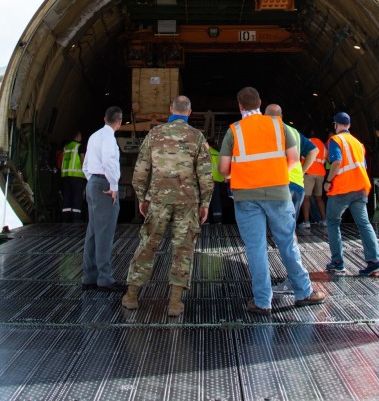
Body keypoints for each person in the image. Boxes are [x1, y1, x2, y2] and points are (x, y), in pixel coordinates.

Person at [218, 86, 325, 313]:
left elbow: (223, 169)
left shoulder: (234, 131)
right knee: (287, 242)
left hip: (246, 196)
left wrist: (238, 174)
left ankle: (262, 301)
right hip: (278, 192)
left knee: (255, 248)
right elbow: (294, 159)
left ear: (240, 106)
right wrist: (275, 175)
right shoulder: (279, 126)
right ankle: (304, 292)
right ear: (260, 103)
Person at [121, 95, 213, 316]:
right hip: (187, 202)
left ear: (170, 109)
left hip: (159, 200)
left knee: (148, 244)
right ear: (189, 112)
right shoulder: (197, 137)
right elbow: (205, 175)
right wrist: (205, 203)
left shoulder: (154, 134)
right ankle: (174, 302)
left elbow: (140, 170)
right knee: (183, 248)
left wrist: (142, 198)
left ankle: (132, 295)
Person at [323, 111, 379, 276]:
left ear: (336, 125)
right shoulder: (358, 143)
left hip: (342, 189)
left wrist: (328, 181)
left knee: (332, 222)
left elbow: (336, 162)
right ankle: (374, 261)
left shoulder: (335, 140)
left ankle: (337, 263)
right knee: (364, 224)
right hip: (360, 189)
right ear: (349, 125)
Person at [81, 105, 126, 292]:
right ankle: (105, 279)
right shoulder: (109, 138)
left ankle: (89, 277)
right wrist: (113, 186)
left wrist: (92, 182)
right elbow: (108, 160)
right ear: (120, 121)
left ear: (104, 118)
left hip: (92, 183)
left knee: (92, 232)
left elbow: (85, 165)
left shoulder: (94, 136)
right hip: (104, 185)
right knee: (104, 233)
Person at [264, 105, 317, 224]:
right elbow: (314, 151)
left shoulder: (263, 132)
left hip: (277, 185)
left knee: (278, 228)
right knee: (289, 227)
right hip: (297, 185)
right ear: (281, 116)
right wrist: (302, 172)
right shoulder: (294, 132)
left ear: (265, 117)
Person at [300, 129, 328, 228]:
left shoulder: (307, 142)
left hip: (309, 173)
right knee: (319, 197)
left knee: (306, 197)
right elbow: (326, 160)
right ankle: (324, 220)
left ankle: (306, 222)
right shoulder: (324, 146)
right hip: (320, 174)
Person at [60, 130, 86, 222]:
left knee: (67, 196)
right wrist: (86, 173)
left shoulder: (66, 147)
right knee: (77, 197)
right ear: (78, 137)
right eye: (81, 137)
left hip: (65, 176)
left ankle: (65, 218)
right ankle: (76, 218)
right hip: (76, 176)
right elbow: (83, 160)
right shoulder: (79, 146)